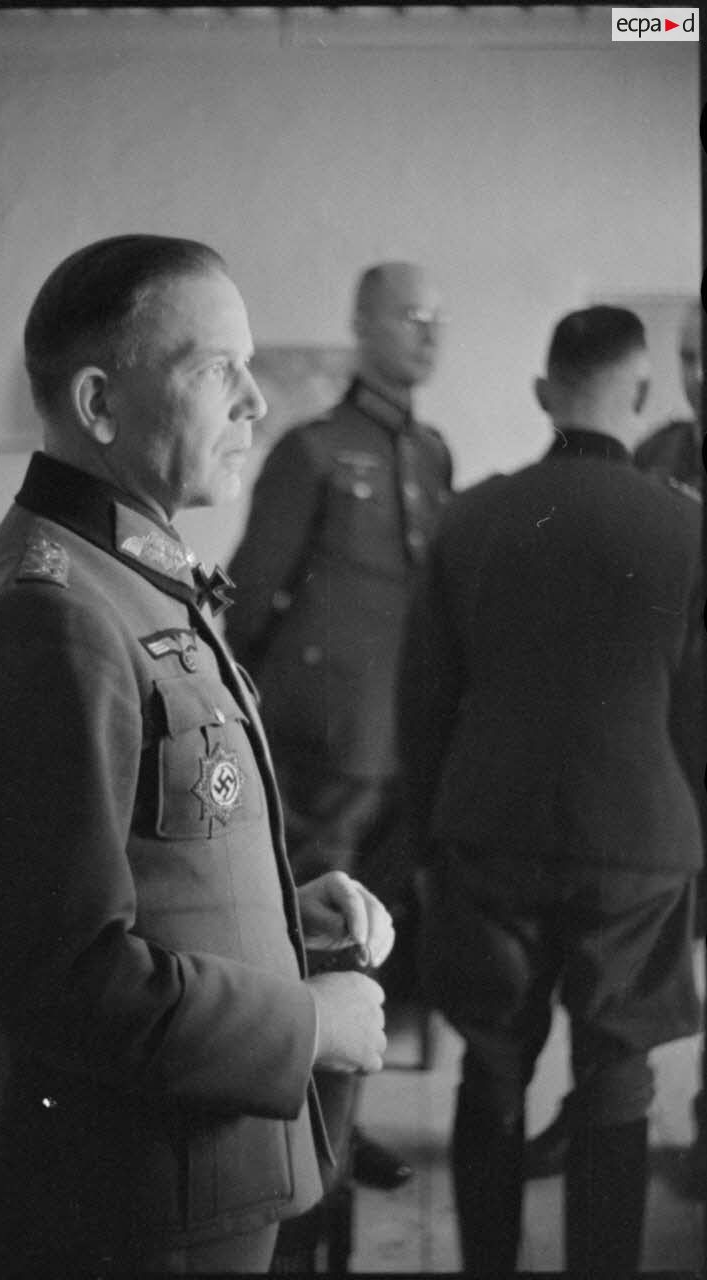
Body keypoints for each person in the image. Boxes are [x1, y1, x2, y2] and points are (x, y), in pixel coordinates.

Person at [0, 235, 396, 1276]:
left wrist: (281, 914)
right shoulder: (56, 612)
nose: (255, 402)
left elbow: (150, 857)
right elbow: (63, 974)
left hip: (183, 1169)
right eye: (213, 370)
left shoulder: (124, 572)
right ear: (99, 404)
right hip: (133, 1194)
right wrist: (306, 1024)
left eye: (249, 367)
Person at [397, 306, 703, 1275]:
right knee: (617, 1075)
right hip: (640, 841)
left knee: (489, 1065)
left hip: (489, 828)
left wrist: (424, 841)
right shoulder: (687, 527)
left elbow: (421, 703)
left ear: (542, 392)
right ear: (641, 393)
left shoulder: (470, 517)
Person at [225, 261, 452, 1226]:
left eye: (437, 319)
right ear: (362, 325)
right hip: (324, 746)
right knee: (318, 944)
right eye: (410, 316)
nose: (429, 333)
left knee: (374, 948)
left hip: (403, 745)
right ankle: (299, 1156)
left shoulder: (430, 452)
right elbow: (247, 603)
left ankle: (338, 1132)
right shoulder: (312, 449)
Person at [524, 296, 704, 1185]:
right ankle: (595, 1115)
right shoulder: (660, 455)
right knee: (624, 988)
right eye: (690, 357)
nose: (699, 377)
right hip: (653, 761)